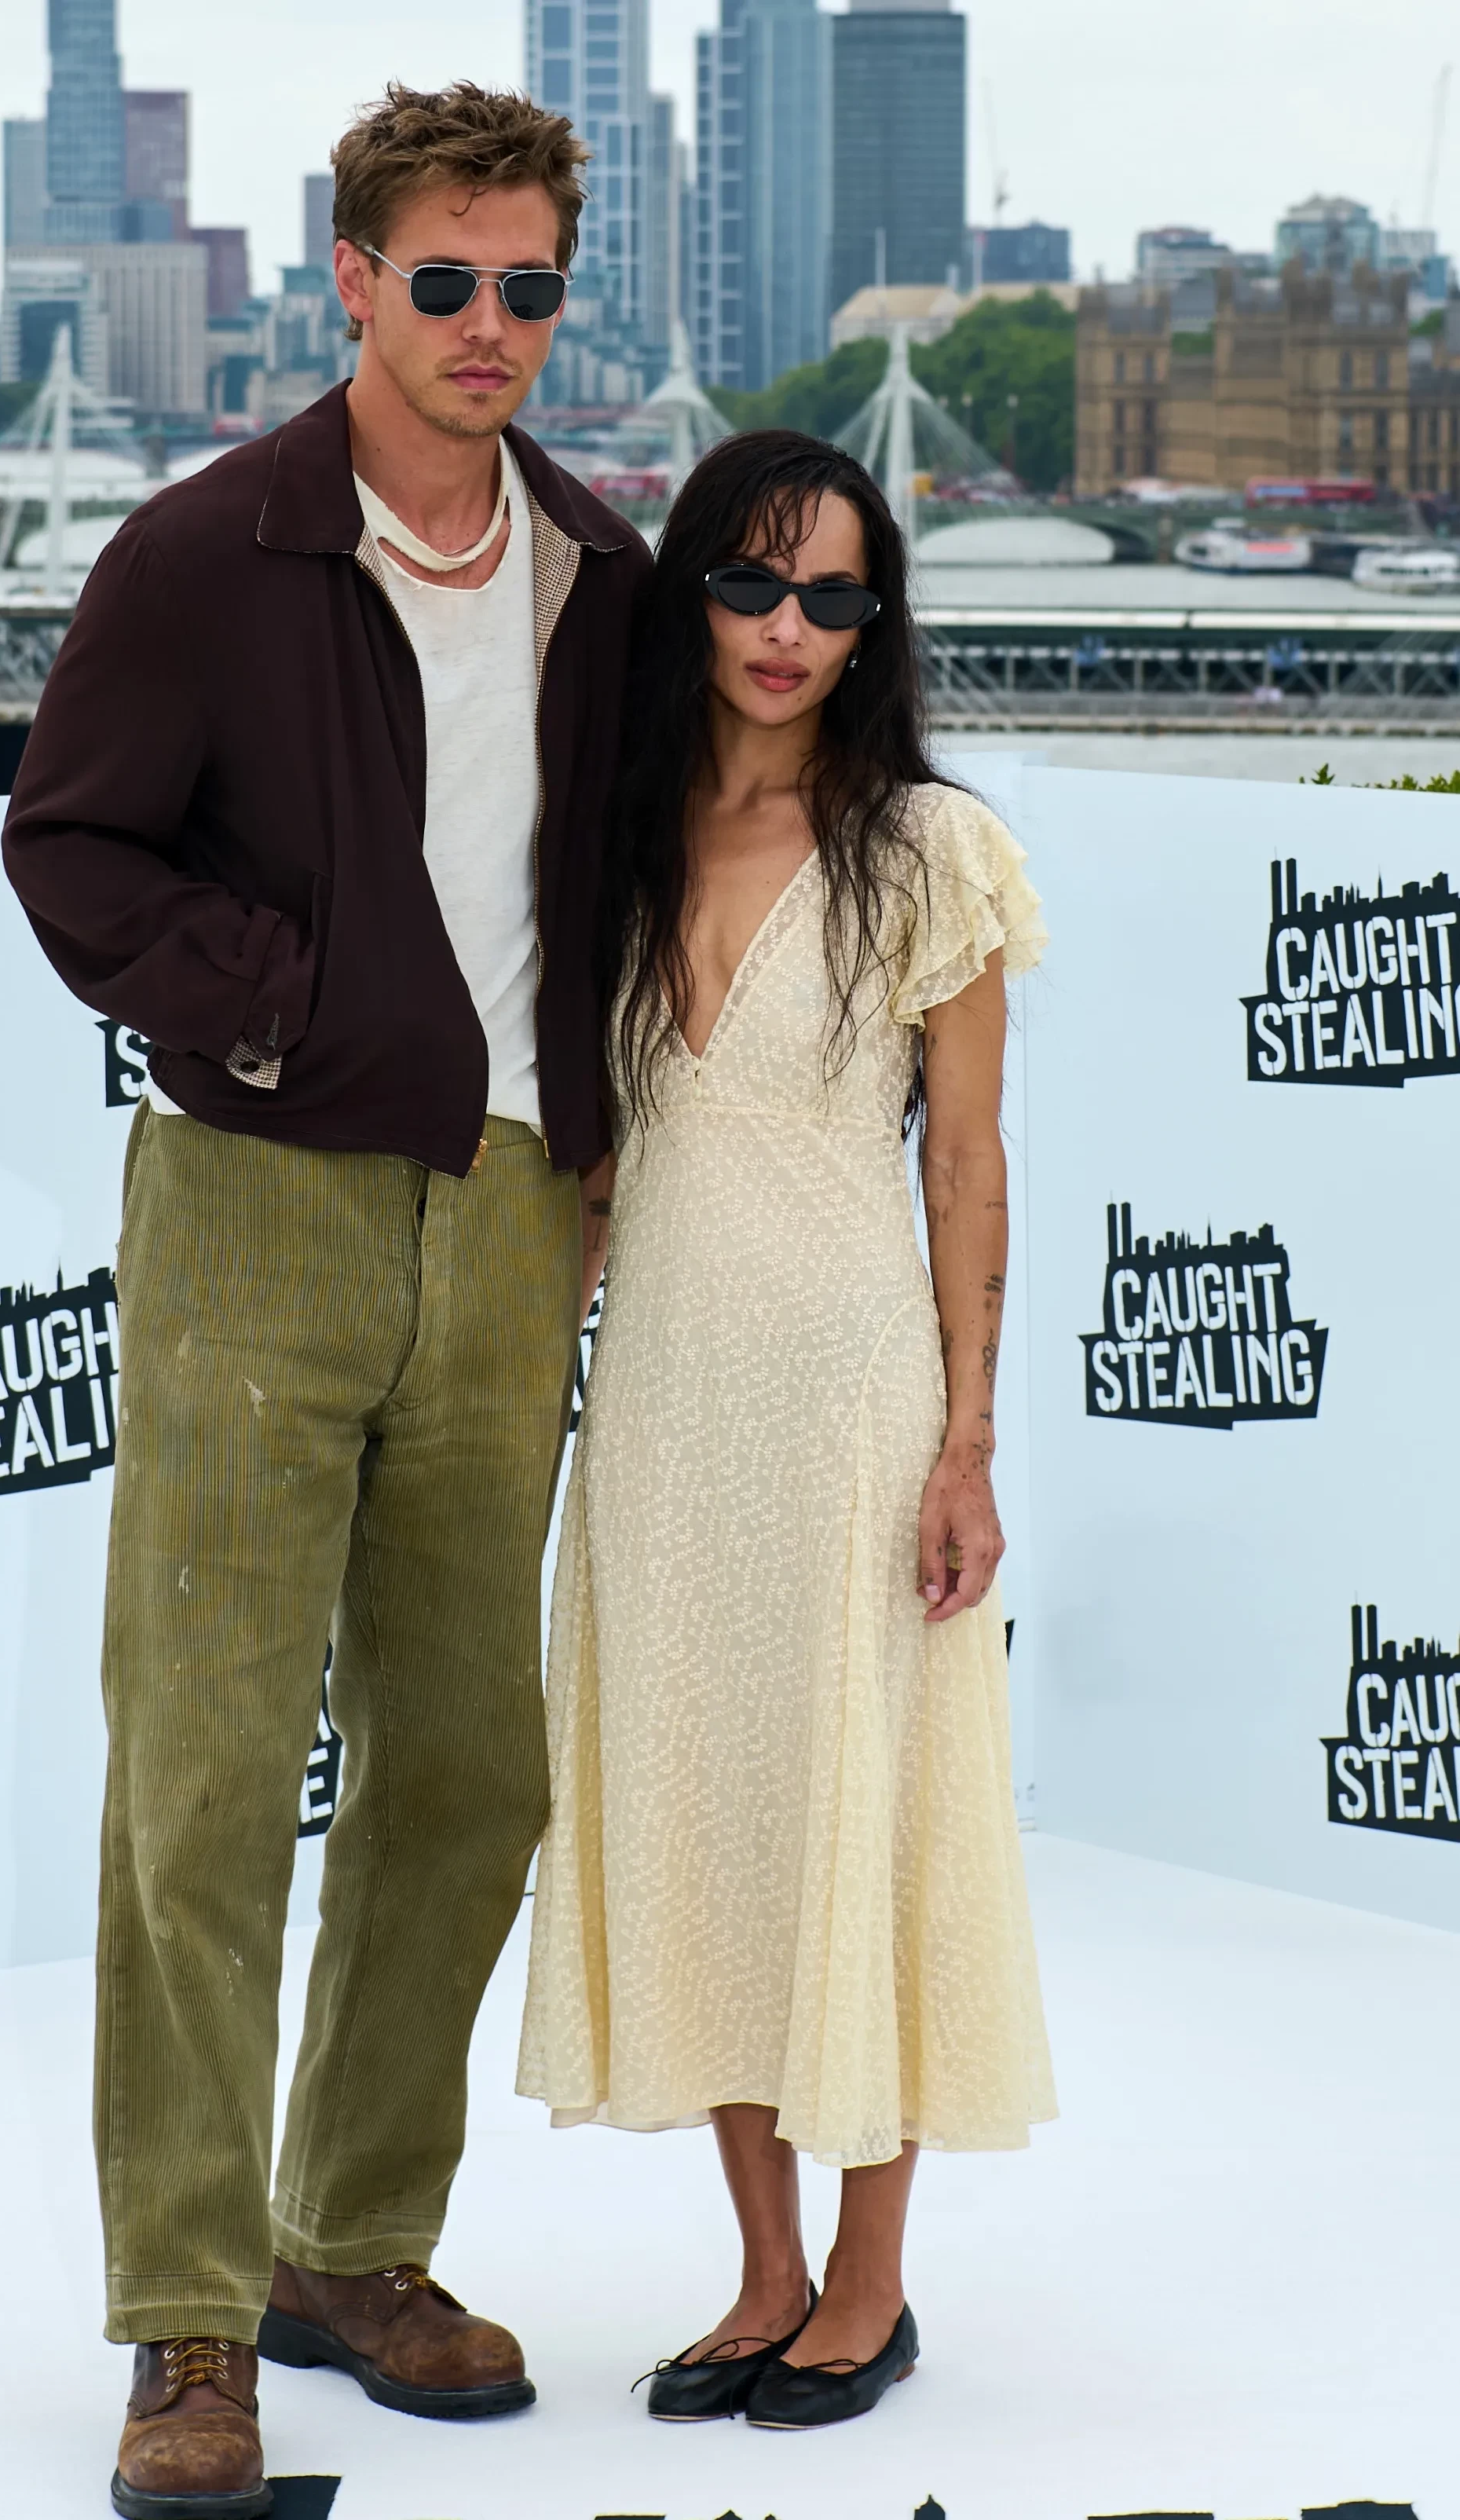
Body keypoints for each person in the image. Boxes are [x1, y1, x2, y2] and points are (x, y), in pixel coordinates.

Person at [2, 82, 647, 2518]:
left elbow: (616, 880)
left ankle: (344, 2244)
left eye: (529, 286)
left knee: (468, 1769)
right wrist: (265, 1010)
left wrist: (595, 1132)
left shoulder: (599, 571)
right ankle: (185, 2319)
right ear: (354, 279)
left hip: (506, 1219)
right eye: (445, 280)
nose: (490, 325)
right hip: (254, 1208)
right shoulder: (208, 554)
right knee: (200, 1779)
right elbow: (72, 846)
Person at [518, 431, 1058, 2432]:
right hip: (662, 1405)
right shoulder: (616, 837)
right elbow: (593, 1174)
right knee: (705, 1811)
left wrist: (967, 1439)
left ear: (870, 624)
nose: (788, 629)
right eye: (752, 583)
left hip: (848, 1400)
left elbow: (967, 1169)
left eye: (834, 596)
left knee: (861, 1804)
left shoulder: (929, 847)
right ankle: (761, 2267)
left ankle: (871, 2278)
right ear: (692, 593)